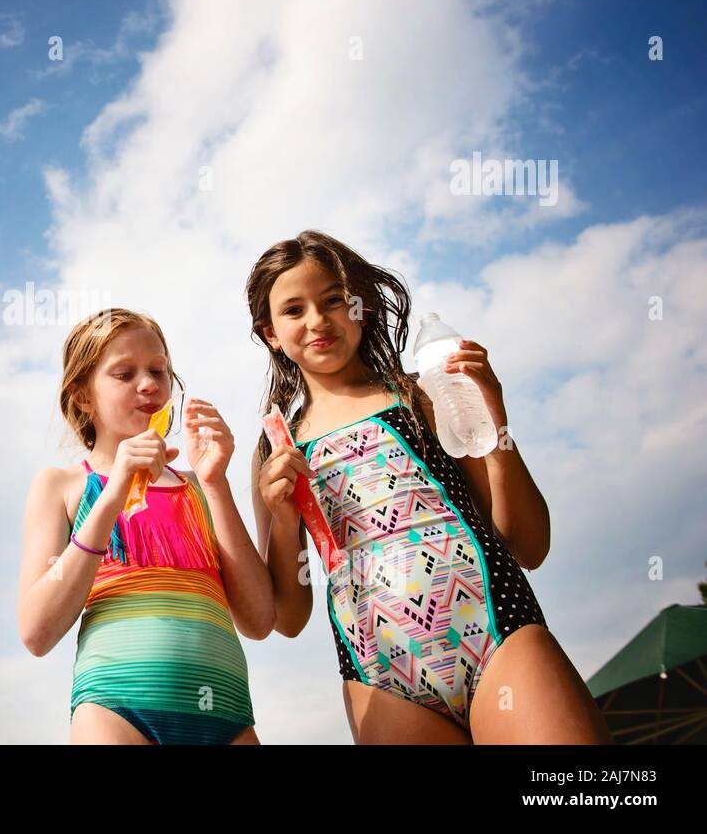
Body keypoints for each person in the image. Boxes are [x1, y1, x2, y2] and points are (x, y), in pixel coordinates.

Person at [245, 230, 611, 743]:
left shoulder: (423, 395)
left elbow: (530, 545)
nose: (317, 321)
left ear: (361, 308)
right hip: (379, 675)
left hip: (497, 629)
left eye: (333, 300)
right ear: (270, 334)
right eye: (294, 310)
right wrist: (284, 521)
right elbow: (288, 616)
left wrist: (495, 424)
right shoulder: (277, 448)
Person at [18, 308, 274, 743]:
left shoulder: (199, 486)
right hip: (116, 713)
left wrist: (216, 483)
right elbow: (36, 631)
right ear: (82, 396)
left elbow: (259, 619)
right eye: (124, 373)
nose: (150, 384)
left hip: (227, 716)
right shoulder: (63, 485)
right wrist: (112, 496)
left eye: (158, 370)